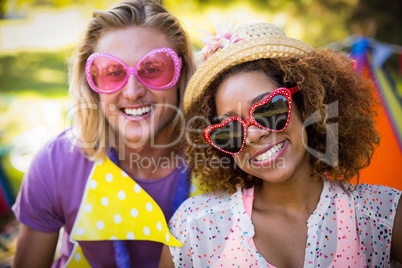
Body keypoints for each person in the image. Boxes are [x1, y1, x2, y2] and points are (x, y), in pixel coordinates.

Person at [159, 22, 402, 267]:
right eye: (229, 129)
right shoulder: (195, 228)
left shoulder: (384, 216)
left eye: (268, 109)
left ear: (307, 103)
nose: (253, 135)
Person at [11, 0, 197, 267]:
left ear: (181, 75)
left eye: (153, 69)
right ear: (92, 84)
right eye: (112, 72)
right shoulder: (55, 164)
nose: (133, 91)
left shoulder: (218, 163)